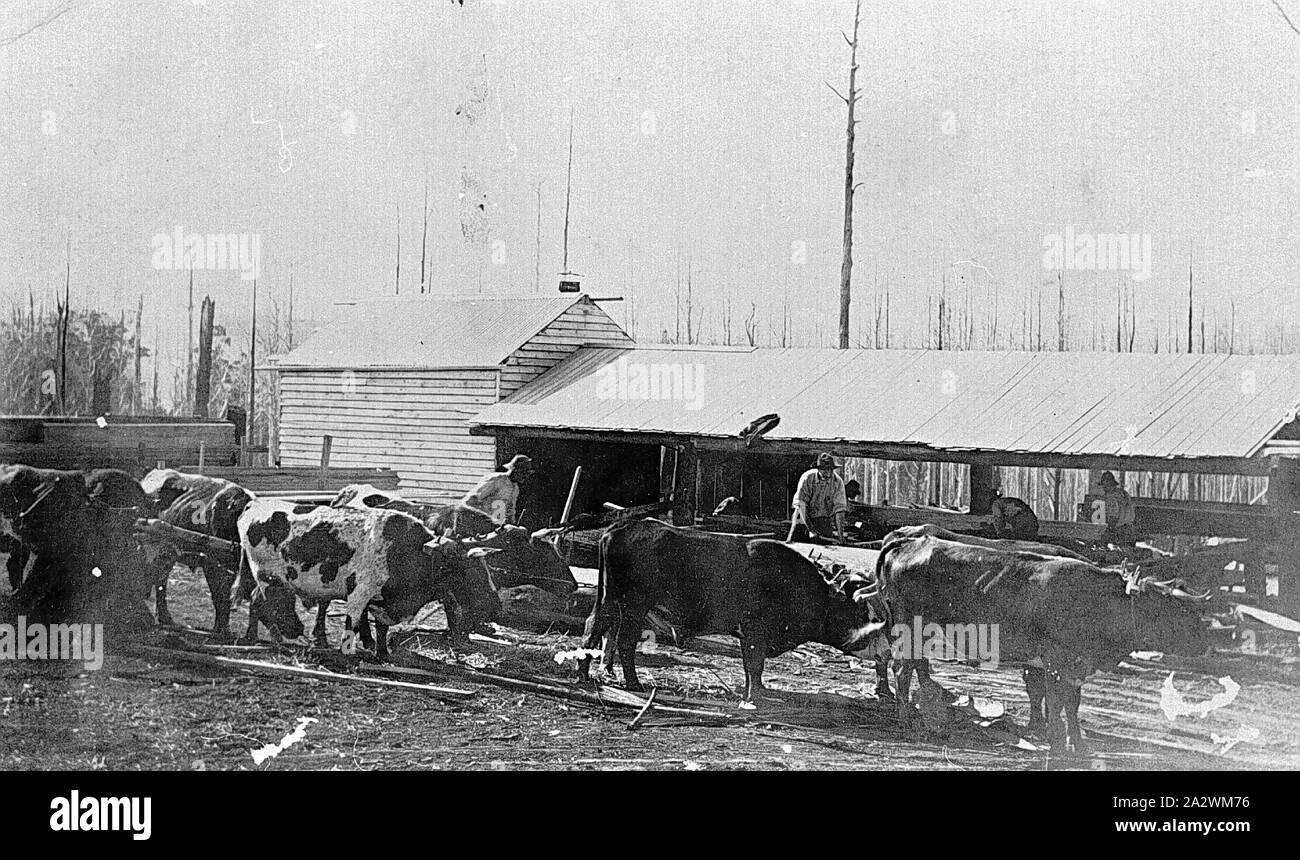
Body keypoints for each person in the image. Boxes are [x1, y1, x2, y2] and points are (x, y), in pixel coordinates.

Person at [456, 454, 533, 534]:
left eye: (528, 473)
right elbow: (468, 502)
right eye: (523, 472)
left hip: (495, 528)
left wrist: (512, 525)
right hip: (479, 525)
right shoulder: (496, 480)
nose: (526, 476)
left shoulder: (515, 488)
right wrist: (486, 519)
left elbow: (510, 511)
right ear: (514, 469)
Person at [786, 452, 848, 544]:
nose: (826, 472)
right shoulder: (807, 478)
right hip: (802, 518)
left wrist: (840, 536)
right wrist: (811, 530)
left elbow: (839, 509)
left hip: (823, 519)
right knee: (795, 548)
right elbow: (802, 505)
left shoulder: (837, 482)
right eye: (823, 469)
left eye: (829, 470)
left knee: (828, 551)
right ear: (818, 469)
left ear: (832, 469)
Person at [1097, 471, 1137, 545]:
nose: (1103, 488)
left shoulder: (1111, 496)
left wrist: (1107, 532)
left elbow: (1113, 516)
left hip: (1120, 532)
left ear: (1107, 483)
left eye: (1104, 485)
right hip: (1130, 530)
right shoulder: (1124, 493)